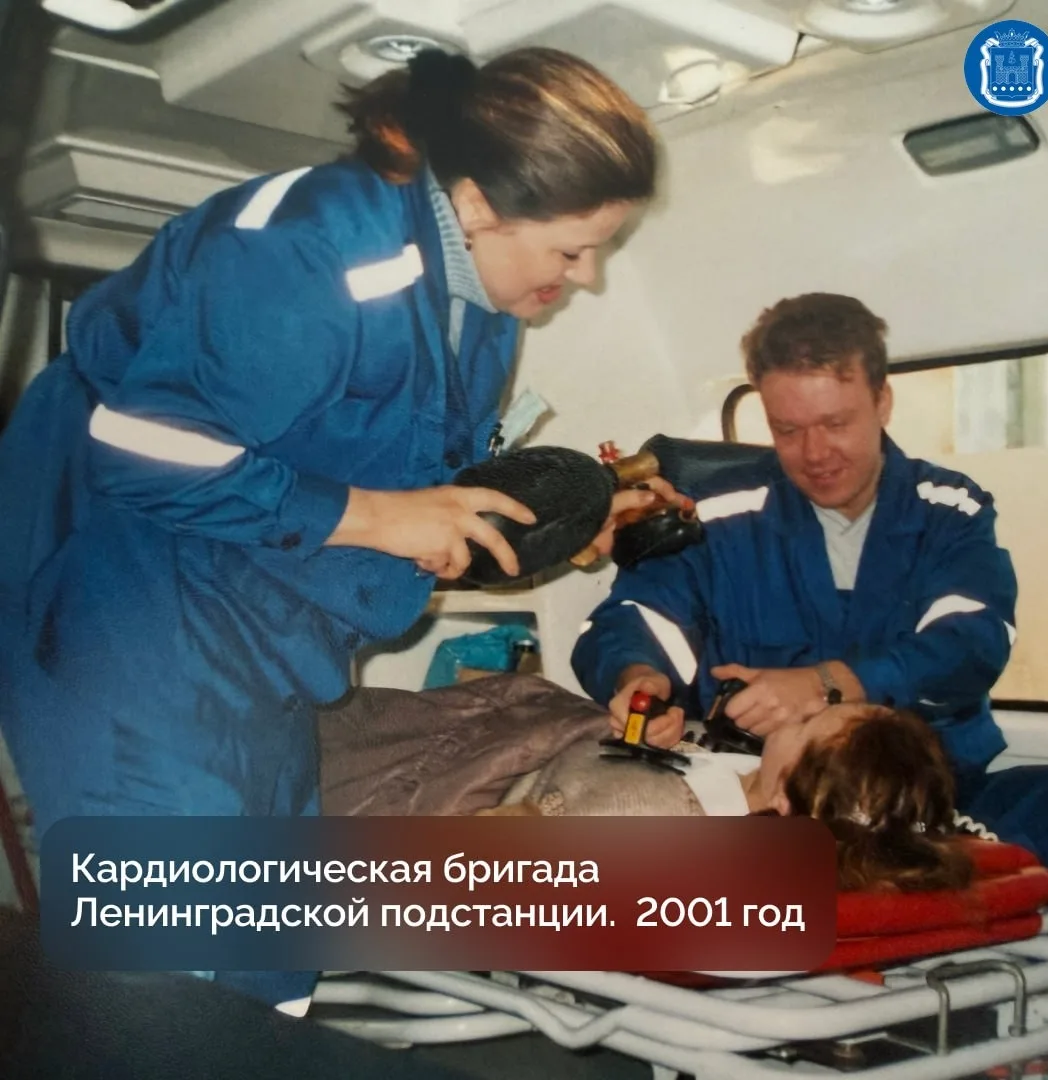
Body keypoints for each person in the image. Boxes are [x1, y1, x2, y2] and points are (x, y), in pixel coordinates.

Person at [0, 46, 662, 1009]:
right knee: (165, 988)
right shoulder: (314, 251)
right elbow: (142, 449)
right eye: (571, 250)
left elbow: (394, 497)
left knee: (272, 970)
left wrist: (527, 539)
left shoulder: (483, 309)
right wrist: (386, 515)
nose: (589, 276)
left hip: (265, 647)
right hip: (131, 617)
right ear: (479, 204)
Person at [572, 292, 1048, 920]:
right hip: (770, 799)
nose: (814, 454)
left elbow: (971, 641)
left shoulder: (949, 509)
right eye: (787, 430)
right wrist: (639, 678)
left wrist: (828, 684)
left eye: (836, 423)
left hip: (931, 796)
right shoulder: (717, 512)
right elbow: (635, 618)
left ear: (882, 402)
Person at [481, 700, 972, 892]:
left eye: (805, 722)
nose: (799, 709)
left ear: (785, 799)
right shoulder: (745, 769)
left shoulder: (645, 820)